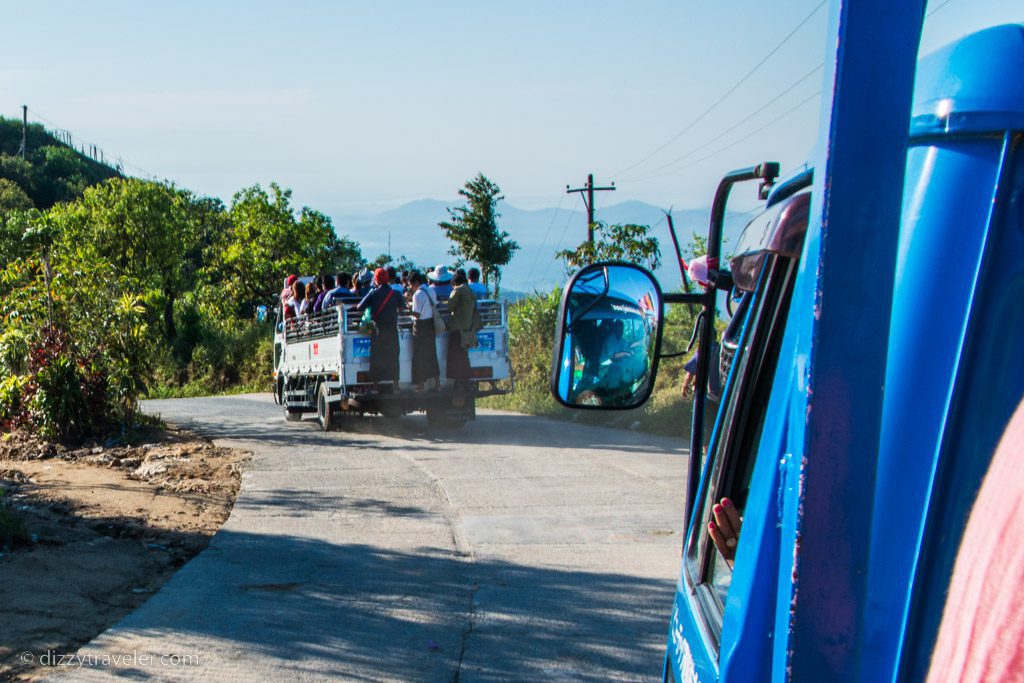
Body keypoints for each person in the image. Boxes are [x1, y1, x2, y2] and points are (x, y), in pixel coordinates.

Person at [355, 268, 403, 390]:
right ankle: (396, 385)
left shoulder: (373, 293)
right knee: (393, 357)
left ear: (376, 280)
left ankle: (375, 386)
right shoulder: (395, 293)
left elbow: (360, 307)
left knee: (376, 358)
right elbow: (403, 307)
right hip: (392, 330)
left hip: (377, 331)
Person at [407, 271, 441, 392]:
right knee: (432, 354)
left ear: (416, 282)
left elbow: (417, 313)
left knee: (419, 355)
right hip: (430, 324)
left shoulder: (417, 294)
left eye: (410, 284)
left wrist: (408, 308)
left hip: (420, 326)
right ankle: (438, 384)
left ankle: (421, 385)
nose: (410, 287)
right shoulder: (431, 290)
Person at [445, 269, 477, 383]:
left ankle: (457, 381)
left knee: (455, 356)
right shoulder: (470, 290)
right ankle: (466, 380)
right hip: (467, 328)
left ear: (454, 283)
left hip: (456, 328)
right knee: (464, 356)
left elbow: (450, 306)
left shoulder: (457, 290)